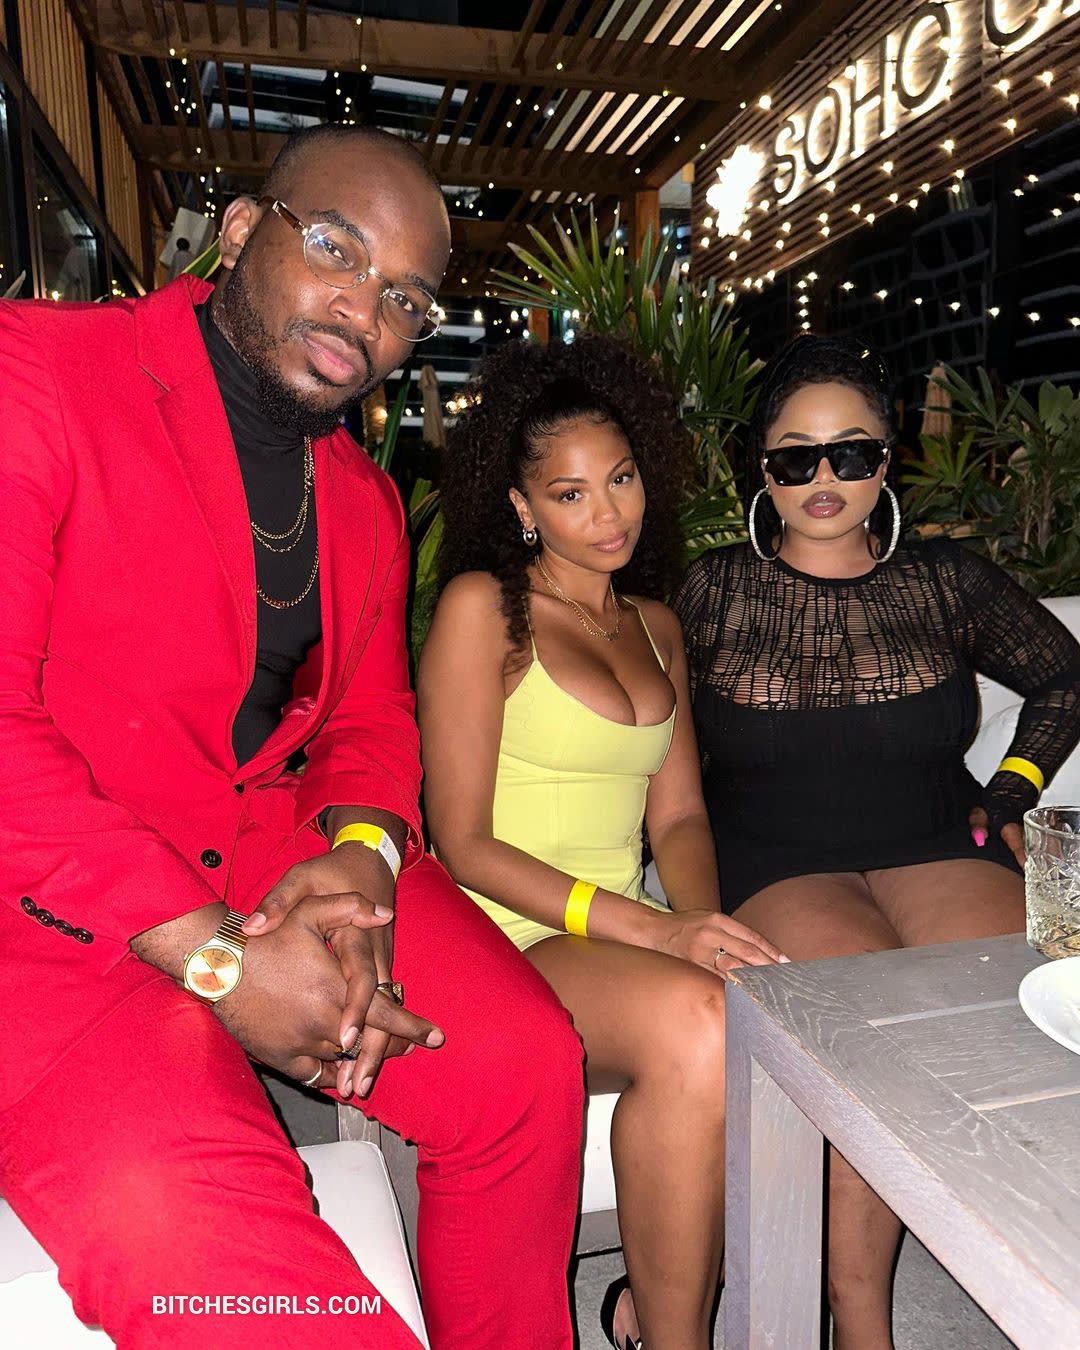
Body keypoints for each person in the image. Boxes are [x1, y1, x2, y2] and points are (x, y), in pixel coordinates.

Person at [0, 124, 585, 1349]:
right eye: (335, 247)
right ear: (239, 231)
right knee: (246, 1275)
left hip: (263, 850)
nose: (365, 309)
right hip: (46, 911)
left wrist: (365, 867)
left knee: (524, 1066)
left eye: (406, 297)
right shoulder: (39, 373)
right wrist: (220, 963)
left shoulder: (364, 502)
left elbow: (370, 720)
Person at [672, 332, 1080, 1350]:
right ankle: (862, 1320)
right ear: (762, 469)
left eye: (851, 453)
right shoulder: (710, 591)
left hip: (938, 833)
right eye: (797, 457)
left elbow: (1065, 678)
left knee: (1016, 1005)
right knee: (860, 1042)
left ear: (886, 461)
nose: (826, 479)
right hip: (777, 853)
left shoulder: (944, 580)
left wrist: (1012, 793)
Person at [417, 335, 785, 1350]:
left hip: (616, 929)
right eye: (571, 494)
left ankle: (649, 1312)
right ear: (523, 507)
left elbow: (679, 818)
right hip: (504, 931)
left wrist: (704, 926)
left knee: (756, 1007)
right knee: (700, 1025)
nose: (609, 512)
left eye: (620, 478)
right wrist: (658, 933)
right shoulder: (485, 611)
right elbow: (460, 840)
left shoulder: (657, 625)